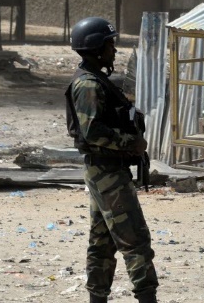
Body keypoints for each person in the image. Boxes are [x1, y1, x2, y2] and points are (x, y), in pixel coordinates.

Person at [64, 17, 158, 303]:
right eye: (109, 44)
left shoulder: (97, 81)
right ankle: (147, 298)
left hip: (104, 171)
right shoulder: (89, 85)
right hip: (107, 173)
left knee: (102, 244)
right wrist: (132, 142)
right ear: (95, 47)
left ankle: (97, 298)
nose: (114, 50)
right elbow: (92, 131)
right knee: (135, 240)